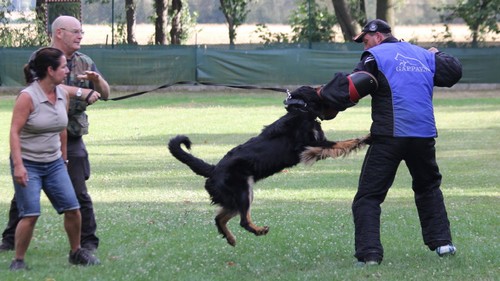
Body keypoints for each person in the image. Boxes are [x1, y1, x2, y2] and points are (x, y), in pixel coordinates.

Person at [287, 19, 462, 266]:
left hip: (390, 137)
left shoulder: (376, 55)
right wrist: (436, 53)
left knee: (368, 197)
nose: (364, 46)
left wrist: (316, 96)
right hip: (423, 136)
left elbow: (354, 86)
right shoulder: (421, 55)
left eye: (365, 40)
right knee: (428, 188)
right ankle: (443, 244)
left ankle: (369, 256)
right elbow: (453, 71)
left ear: (377, 37)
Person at [0, 15, 109, 254]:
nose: (80, 35)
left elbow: (106, 93)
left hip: (71, 134)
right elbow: (42, 87)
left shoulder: (84, 61)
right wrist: (82, 92)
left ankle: (87, 243)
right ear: (59, 33)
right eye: (75, 31)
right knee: (24, 194)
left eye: (82, 31)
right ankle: (10, 241)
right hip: (37, 138)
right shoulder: (42, 58)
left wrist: (97, 82)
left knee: (78, 193)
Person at [7, 47, 100, 270]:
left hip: (54, 162)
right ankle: (18, 260)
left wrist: (64, 160)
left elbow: (62, 130)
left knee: (73, 208)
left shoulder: (61, 93)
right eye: (63, 67)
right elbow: (14, 132)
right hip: (29, 162)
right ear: (50, 70)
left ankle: (76, 252)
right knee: (30, 214)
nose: (67, 70)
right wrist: (19, 166)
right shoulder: (28, 97)